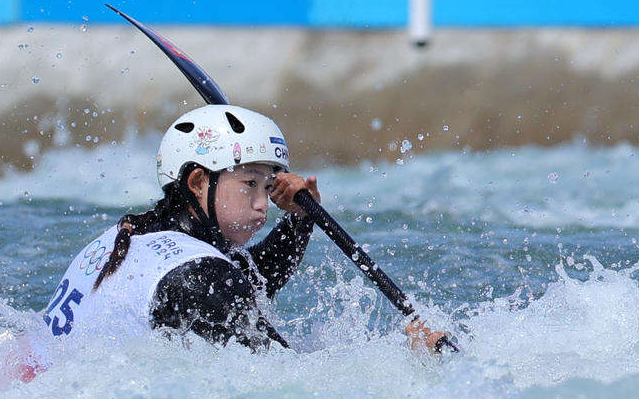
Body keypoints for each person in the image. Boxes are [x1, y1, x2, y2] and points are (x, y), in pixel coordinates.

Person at [42, 104, 445, 354]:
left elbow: (246, 282)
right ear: (198, 183)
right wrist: (407, 360)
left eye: (268, 186)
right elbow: (291, 382)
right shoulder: (197, 275)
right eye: (248, 184)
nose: (261, 203)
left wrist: (300, 221)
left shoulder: (129, 235)